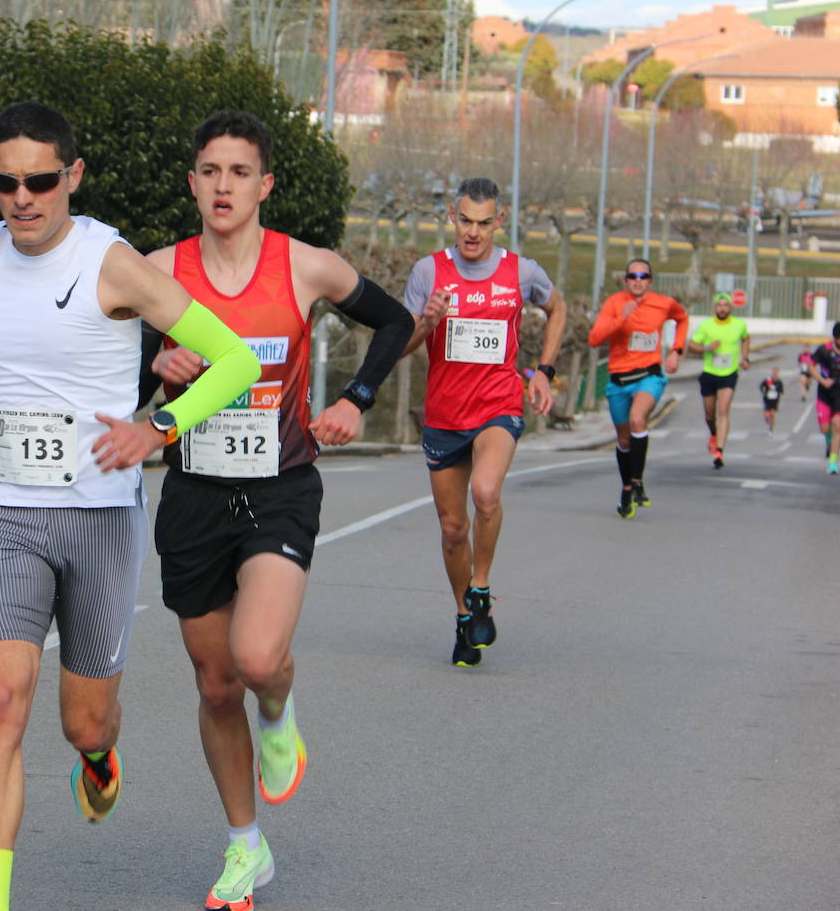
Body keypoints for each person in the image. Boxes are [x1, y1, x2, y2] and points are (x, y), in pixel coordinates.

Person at [0, 102, 260, 911]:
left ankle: (100, 757)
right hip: (6, 517)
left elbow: (234, 360)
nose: (23, 198)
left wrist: (158, 429)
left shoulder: (113, 264)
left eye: (40, 180)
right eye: (6, 182)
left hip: (100, 522)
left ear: (71, 176)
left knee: (85, 724)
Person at [139, 109, 415, 911]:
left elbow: (395, 321)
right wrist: (156, 366)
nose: (223, 186)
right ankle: (243, 845)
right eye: (209, 171)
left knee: (256, 661)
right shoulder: (157, 270)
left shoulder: (305, 268)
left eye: (239, 172)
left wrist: (357, 399)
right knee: (214, 681)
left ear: (265, 185)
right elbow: (113, 378)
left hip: (279, 485)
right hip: (192, 492)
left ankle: (281, 704)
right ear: (192, 182)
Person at [401, 176, 566, 667]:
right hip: (445, 415)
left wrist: (545, 373)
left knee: (487, 493)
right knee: (453, 529)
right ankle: (461, 616)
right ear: (452, 217)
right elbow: (400, 346)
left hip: (498, 406)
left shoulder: (522, 272)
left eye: (483, 223)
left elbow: (557, 310)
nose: (473, 234)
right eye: (464, 222)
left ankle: (481, 587)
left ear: (501, 219)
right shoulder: (429, 272)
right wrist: (425, 324)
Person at [587, 258, 688, 518]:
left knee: (637, 419)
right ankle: (627, 487)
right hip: (619, 380)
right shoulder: (615, 303)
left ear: (650, 281)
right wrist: (621, 318)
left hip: (649, 375)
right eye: (633, 276)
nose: (638, 280)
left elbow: (682, 318)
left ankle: (639, 480)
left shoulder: (663, 303)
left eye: (643, 276)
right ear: (626, 280)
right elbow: (594, 339)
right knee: (623, 439)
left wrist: (676, 351)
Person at [686, 292, 750, 469]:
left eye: (726, 305)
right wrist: (707, 347)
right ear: (715, 308)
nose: (722, 308)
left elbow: (745, 338)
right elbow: (691, 345)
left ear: (730, 307)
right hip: (709, 373)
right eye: (719, 305)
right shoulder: (706, 326)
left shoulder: (739, 325)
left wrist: (745, 358)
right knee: (709, 415)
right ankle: (713, 433)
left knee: (723, 411)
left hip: (729, 374)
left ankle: (719, 451)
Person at [811, 321, 840, 475]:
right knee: (825, 428)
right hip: (824, 392)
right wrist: (822, 381)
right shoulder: (824, 350)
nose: (839, 342)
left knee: (838, 425)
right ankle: (829, 442)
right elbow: (810, 366)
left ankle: (833, 462)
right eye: (837, 339)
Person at [759, 367, 784, 436]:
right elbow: (761, 386)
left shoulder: (779, 382)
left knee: (773, 414)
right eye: (774, 372)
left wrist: (778, 390)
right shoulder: (768, 380)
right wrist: (763, 391)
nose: (775, 374)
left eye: (776, 372)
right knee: (767, 413)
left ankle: (771, 429)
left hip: (775, 400)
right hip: (767, 399)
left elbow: (782, 391)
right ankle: (766, 418)